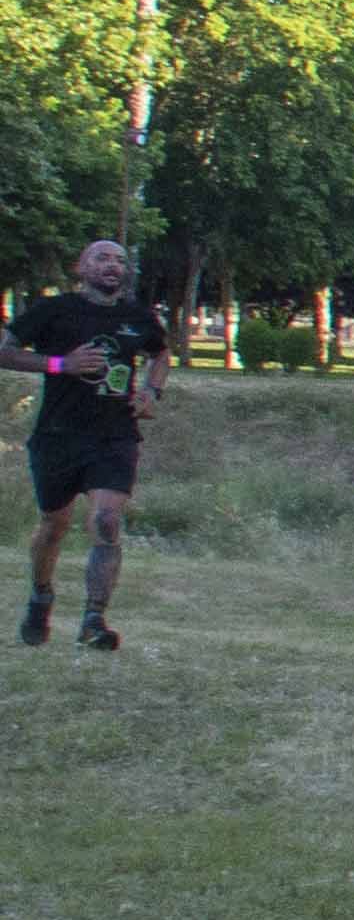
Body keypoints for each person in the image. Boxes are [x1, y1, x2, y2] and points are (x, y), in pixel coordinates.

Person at [19, 235, 172, 651]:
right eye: (101, 258)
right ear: (80, 268)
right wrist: (60, 364)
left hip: (114, 434)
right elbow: (6, 351)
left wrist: (151, 393)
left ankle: (93, 621)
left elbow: (161, 354)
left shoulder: (137, 317)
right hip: (58, 435)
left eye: (119, 261)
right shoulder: (54, 311)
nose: (112, 266)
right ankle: (41, 595)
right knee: (55, 524)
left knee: (106, 521)